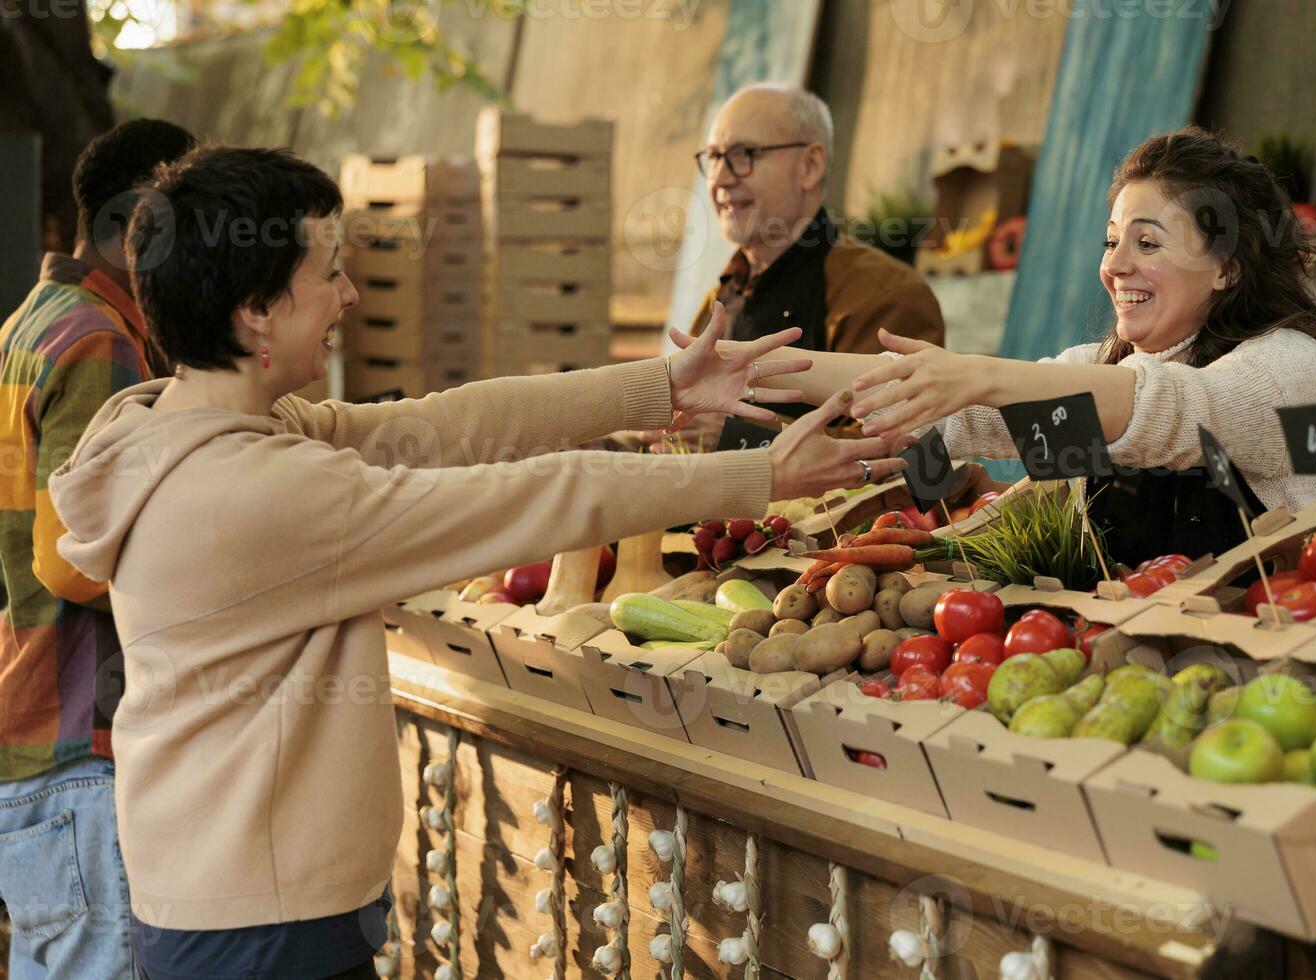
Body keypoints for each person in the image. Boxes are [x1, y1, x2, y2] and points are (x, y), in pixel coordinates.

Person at [45, 145, 902, 980]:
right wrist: (759, 473)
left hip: (231, 908)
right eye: (329, 272)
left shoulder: (184, 430)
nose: (349, 294)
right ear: (256, 309)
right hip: (260, 931)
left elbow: (445, 425)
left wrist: (661, 387)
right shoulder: (254, 490)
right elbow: (534, 498)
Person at [681, 128, 1316, 567]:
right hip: (1140, 664)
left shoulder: (1291, 367)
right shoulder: (1108, 368)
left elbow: (1179, 412)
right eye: (1111, 241)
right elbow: (945, 406)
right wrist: (743, 370)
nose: (1115, 265)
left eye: (1147, 242)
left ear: (1227, 267)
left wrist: (981, 377)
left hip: (1284, 674)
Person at [0, 117, 196, 980]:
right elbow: (78, 562)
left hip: (34, 734)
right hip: (83, 739)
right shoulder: (101, 341)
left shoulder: (32, 322)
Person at [649, 84, 945, 448]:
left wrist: (737, 438)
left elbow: (905, 449)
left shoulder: (886, 296)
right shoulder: (722, 296)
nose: (721, 179)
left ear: (810, 165)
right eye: (713, 158)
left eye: (743, 155)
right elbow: (680, 434)